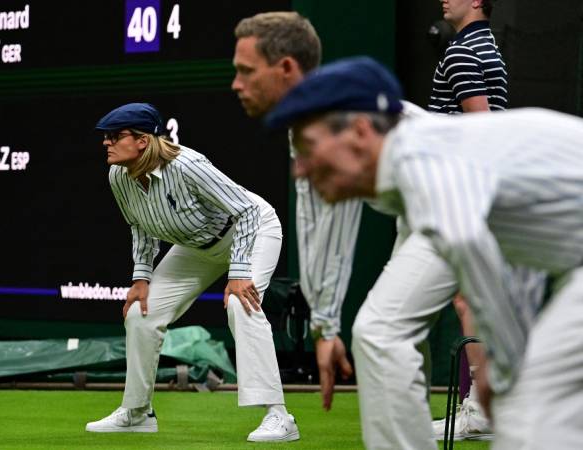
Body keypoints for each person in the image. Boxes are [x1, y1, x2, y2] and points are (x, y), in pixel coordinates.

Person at [265, 57, 573, 450]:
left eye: (309, 148)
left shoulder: (420, 163)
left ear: (360, 131)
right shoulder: (406, 167)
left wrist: (505, 365)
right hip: (564, 257)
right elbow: (510, 253)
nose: (300, 171)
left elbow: (471, 247)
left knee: (533, 418)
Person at [85, 103, 299, 442]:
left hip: (251, 228)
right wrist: (141, 278)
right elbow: (139, 227)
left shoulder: (187, 165)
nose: (105, 142)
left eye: (114, 136)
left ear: (142, 141)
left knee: (241, 305)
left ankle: (279, 416)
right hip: (196, 246)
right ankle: (138, 412)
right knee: (141, 314)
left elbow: (245, 212)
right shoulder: (118, 177)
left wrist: (239, 271)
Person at [231, 11, 356, 409]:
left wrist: (326, 325)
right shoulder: (299, 127)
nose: (236, 84)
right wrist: (324, 324)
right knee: (380, 332)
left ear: (285, 68)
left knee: (380, 333)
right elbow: (311, 220)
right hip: (423, 217)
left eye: (246, 71)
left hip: (483, 205)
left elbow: (338, 224)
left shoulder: (332, 119)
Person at [428, 0, 517, 439]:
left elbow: (480, 130)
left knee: (470, 301)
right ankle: (483, 407)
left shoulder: (463, 52)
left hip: (466, 191)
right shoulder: (486, 47)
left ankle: (480, 410)